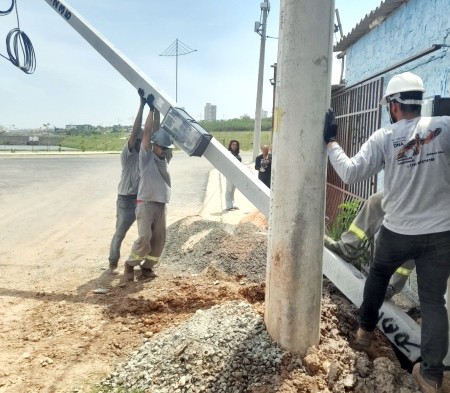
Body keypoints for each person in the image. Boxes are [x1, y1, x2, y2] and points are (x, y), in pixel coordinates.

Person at [324, 71, 450, 392]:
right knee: (434, 303)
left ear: (393, 106)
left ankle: (365, 334)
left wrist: (331, 142)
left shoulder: (385, 137)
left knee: (376, 279)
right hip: (440, 234)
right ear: (419, 102)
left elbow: (350, 173)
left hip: (398, 232)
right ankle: (432, 377)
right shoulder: (446, 128)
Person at [324, 191, 415, 300]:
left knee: (414, 232)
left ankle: (391, 286)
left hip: (431, 197)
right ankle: (347, 247)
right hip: (410, 184)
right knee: (377, 200)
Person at [124, 92, 174, 281]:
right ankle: (130, 264)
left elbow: (158, 130)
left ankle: (147, 268)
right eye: (161, 147)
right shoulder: (146, 157)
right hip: (145, 204)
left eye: (166, 148)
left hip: (161, 205)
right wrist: (150, 109)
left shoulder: (165, 158)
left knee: (159, 241)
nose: (164, 151)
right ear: (154, 146)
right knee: (144, 238)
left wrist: (158, 112)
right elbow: (148, 133)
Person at [108, 88, 145, 274]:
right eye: (140, 139)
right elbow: (135, 130)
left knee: (145, 233)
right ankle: (112, 263)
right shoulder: (128, 153)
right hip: (124, 200)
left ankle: (136, 264)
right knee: (120, 233)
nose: (142, 142)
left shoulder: (145, 157)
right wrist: (142, 106)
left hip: (138, 198)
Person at [225, 140, 241, 211]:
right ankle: (228, 206)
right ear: (230, 146)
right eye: (233, 144)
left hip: (236, 174)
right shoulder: (228, 153)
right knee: (229, 190)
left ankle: (233, 204)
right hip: (229, 174)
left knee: (233, 190)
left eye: (236, 145)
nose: (234, 146)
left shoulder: (238, 155)